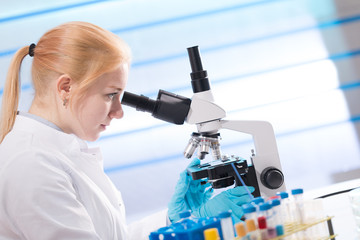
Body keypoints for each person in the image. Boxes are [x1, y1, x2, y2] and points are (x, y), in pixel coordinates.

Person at [0, 21, 253, 240]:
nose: (119, 112)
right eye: (111, 95)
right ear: (66, 87)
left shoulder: (56, 152)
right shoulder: (31, 164)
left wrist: (174, 222)